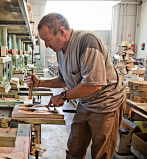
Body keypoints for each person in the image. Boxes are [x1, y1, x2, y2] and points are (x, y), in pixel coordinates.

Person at [26, 13, 126, 159]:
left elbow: (94, 85)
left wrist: (63, 96)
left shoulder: (86, 41)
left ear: (61, 32)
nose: (46, 45)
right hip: (85, 103)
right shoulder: (60, 49)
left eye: (48, 40)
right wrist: (40, 83)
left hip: (106, 104)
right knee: (74, 149)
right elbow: (63, 79)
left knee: (101, 154)